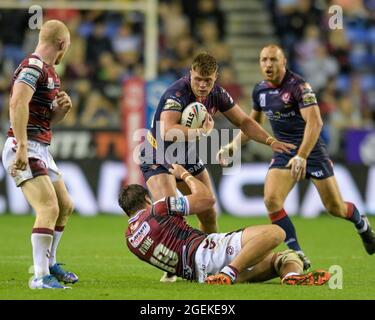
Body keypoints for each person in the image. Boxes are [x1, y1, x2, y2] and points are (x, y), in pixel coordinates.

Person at [217, 44, 375, 269]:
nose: (268, 64)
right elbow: (253, 124)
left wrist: (302, 155)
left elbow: (316, 122)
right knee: (271, 200)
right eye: (264, 60)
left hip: (311, 152)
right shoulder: (260, 90)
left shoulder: (299, 87)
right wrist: (232, 146)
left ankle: (362, 225)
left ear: (284, 62)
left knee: (334, 208)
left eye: (273, 60)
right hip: (284, 151)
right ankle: (297, 252)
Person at [120, 164, 330, 286]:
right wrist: (184, 174)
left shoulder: (130, 240)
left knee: (287, 258)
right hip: (207, 252)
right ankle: (229, 272)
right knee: (276, 232)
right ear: (147, 199)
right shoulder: (158, 209)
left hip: (198, 275)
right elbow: (206, 200)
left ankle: (292, 277)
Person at [2, 20, 78, 289]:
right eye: (67, 46)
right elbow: (17, 101)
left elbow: (43, 119)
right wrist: (21, 145)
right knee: (48, 208)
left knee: (64, 205)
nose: (66, 51)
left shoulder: (50, 74)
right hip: (24, 145)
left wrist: (61, 111)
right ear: (61, 44)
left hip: (40, 146)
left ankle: (50, 262)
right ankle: (39, 276)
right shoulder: (33, 67)